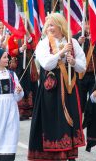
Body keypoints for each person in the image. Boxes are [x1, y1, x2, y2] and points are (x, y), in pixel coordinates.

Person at [28, 13, 86, 161]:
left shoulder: (72, 42)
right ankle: (53, 153)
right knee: (52, 121)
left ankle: (69, 154)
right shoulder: (43, 43)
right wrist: (61, 53)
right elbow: (46, 64)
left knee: (70, 120)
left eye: (52, 25)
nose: (49, 28)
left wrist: (73, 61)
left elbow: (82, 66)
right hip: (51, 90)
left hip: (69, 88)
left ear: (60, 26)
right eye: (48, 25)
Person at [0, 48, 24, 161]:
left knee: (11, 135)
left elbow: (18, 97)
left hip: (11, 110)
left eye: (7, 57)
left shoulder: (12, 75)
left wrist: (19, 91)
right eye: (5, 57)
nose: (8, 59)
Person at [7, 31, 38, 120]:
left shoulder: (31, 35)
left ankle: (33, 111)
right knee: (21, 85)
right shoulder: (12, 37)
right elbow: (11, 52)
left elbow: (35, 47)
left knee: (32, 85)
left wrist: (29, 39)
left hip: (30, 64)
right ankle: (22, 112)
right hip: (19, 65)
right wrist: (20, 49)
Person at [74, 24, 96, 113]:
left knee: (94, 98)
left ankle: (91, 121)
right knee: (81, 100)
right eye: (86, 24)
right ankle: (81, 121)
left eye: (90, 23)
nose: (88, 25)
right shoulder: (76, 37)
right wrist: (79, 42)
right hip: (81, 75)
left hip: (94, 74)